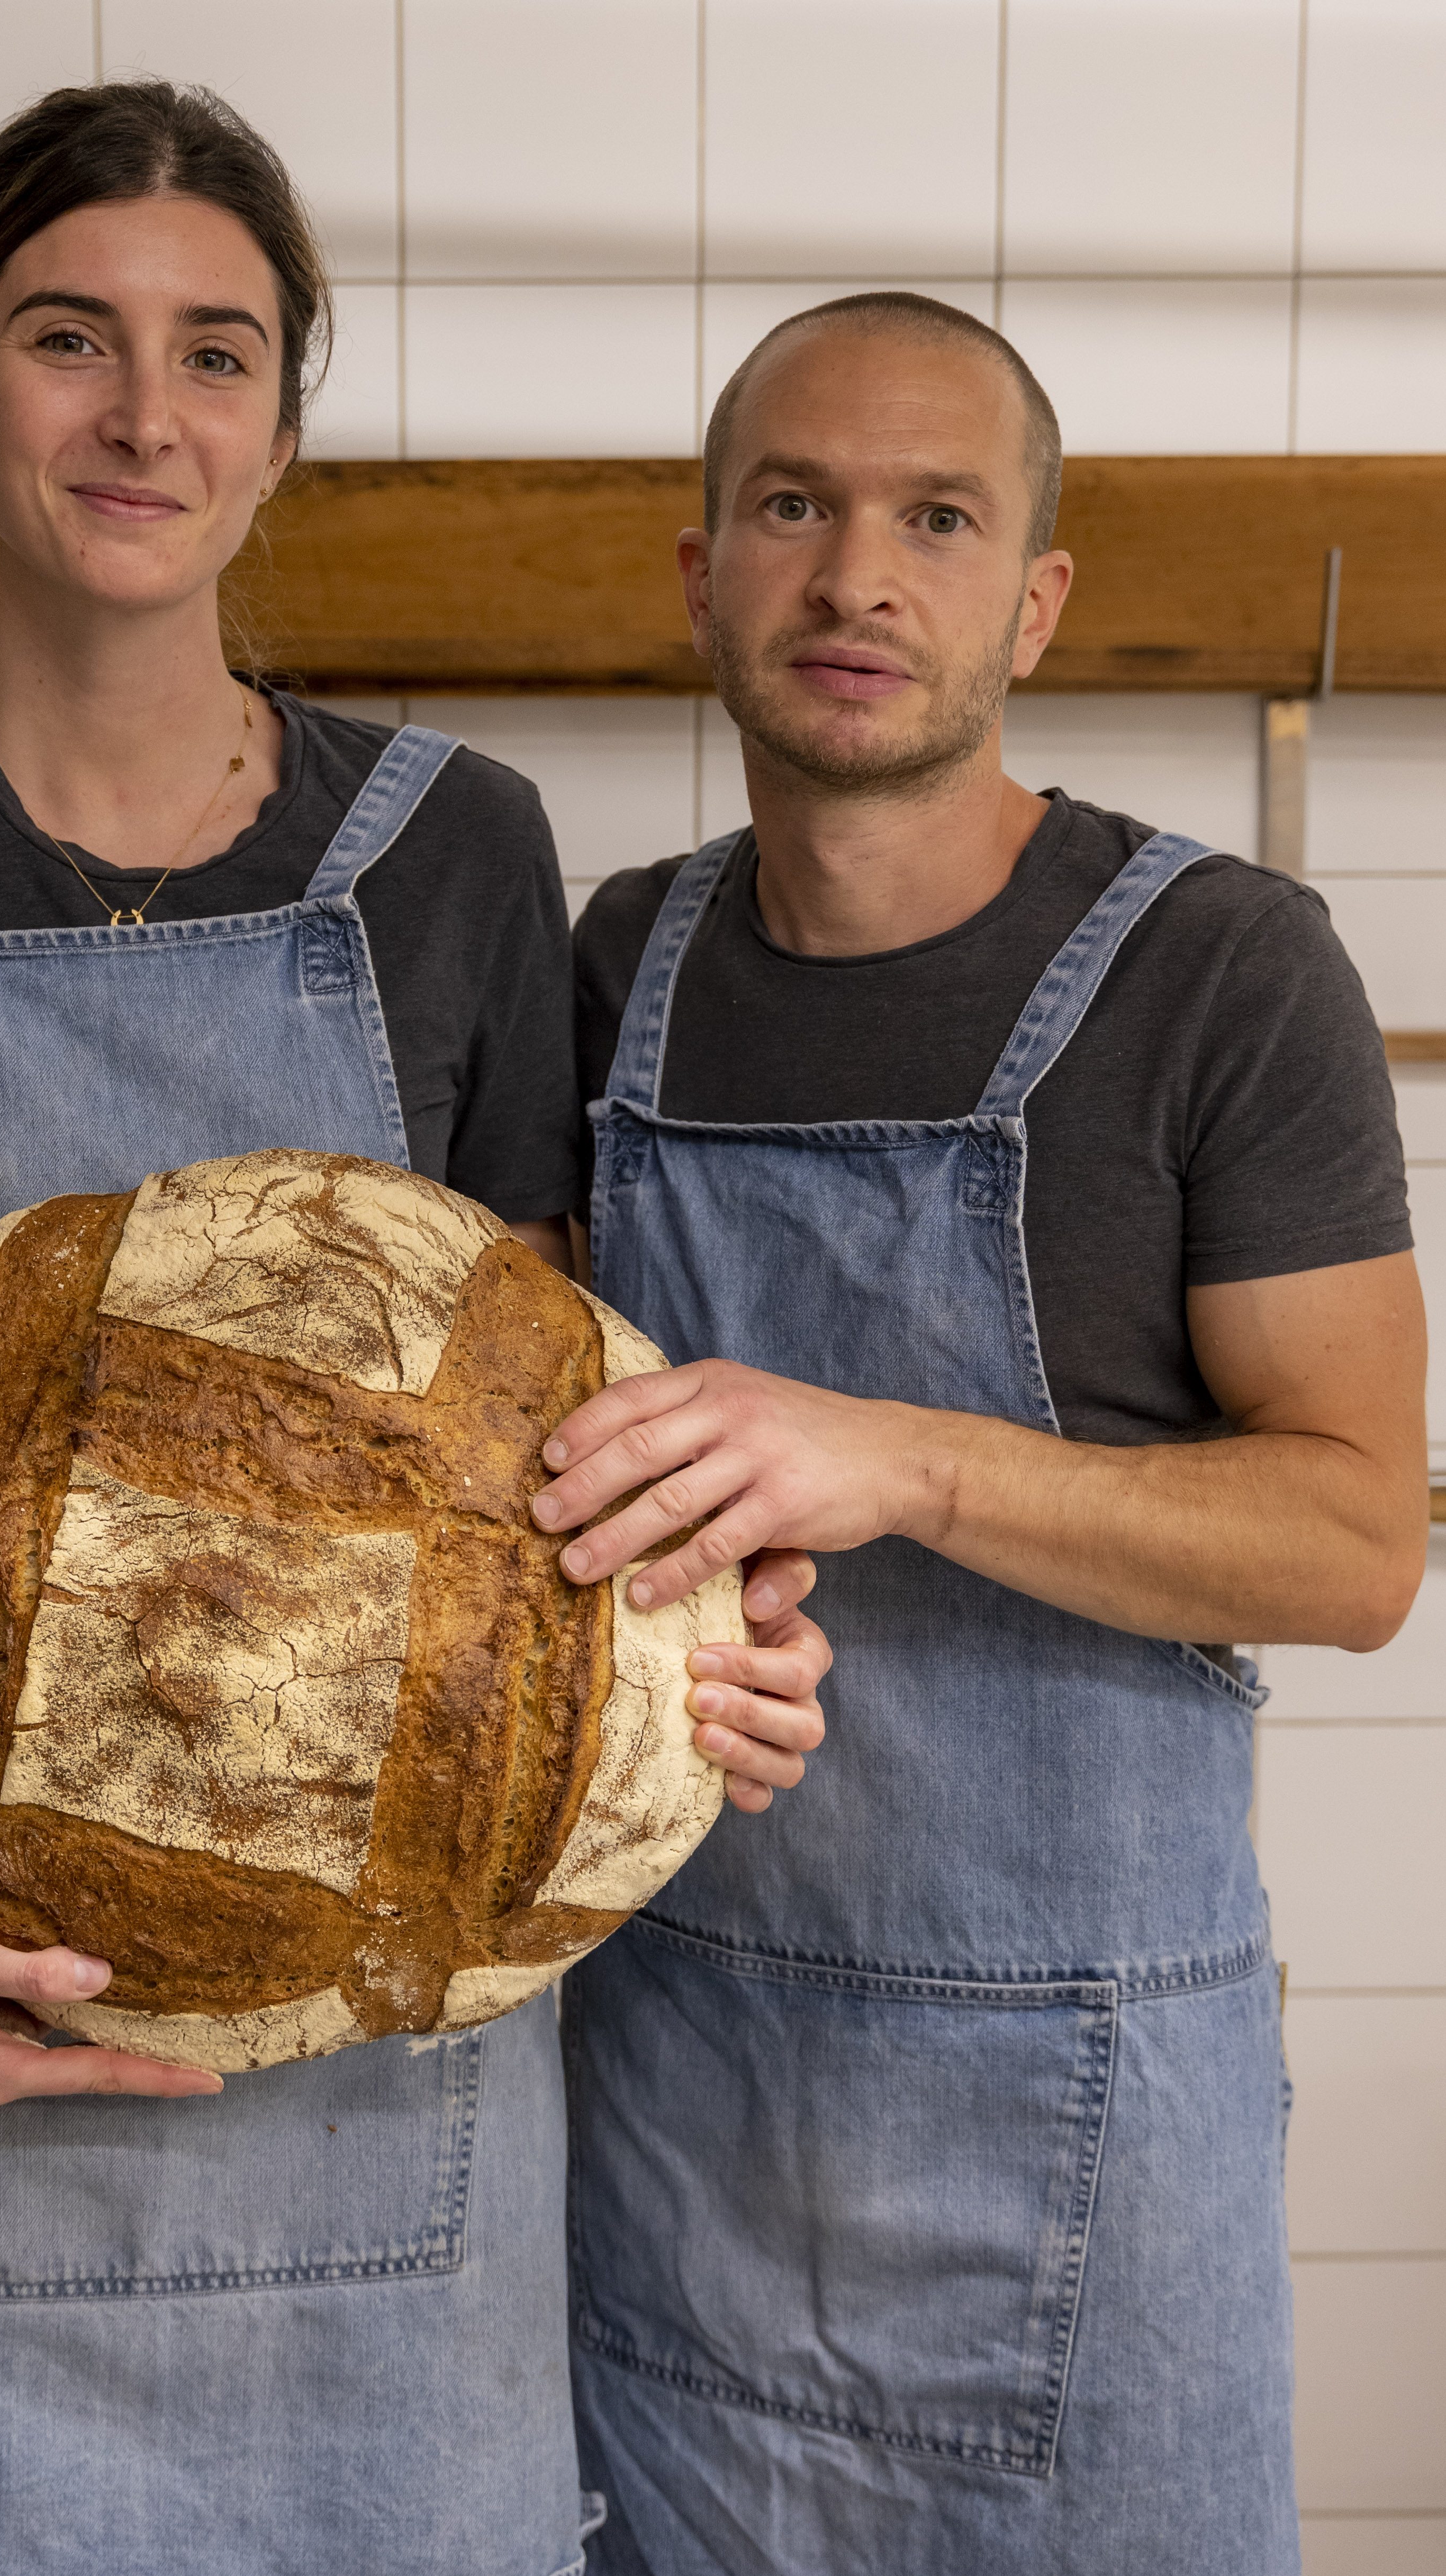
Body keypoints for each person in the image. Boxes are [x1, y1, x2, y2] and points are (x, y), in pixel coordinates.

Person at [0, 82, 821, 2576]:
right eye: (68, 338)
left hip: (398, 2130)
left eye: (218, 353)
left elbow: (548, 1449)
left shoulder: (452, 851)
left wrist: (714, 1659)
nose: (146, 415)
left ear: (280, 421)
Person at [536, 294, 1429, 2575]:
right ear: (703, 568)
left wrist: (902, 1458)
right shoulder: (601, 969)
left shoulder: (1222, 969)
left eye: (938, 516)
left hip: (1084, 2140)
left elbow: (1355, 1545)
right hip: (672, 2093)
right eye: (793, 505)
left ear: (1030, 598)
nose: (858, 577)